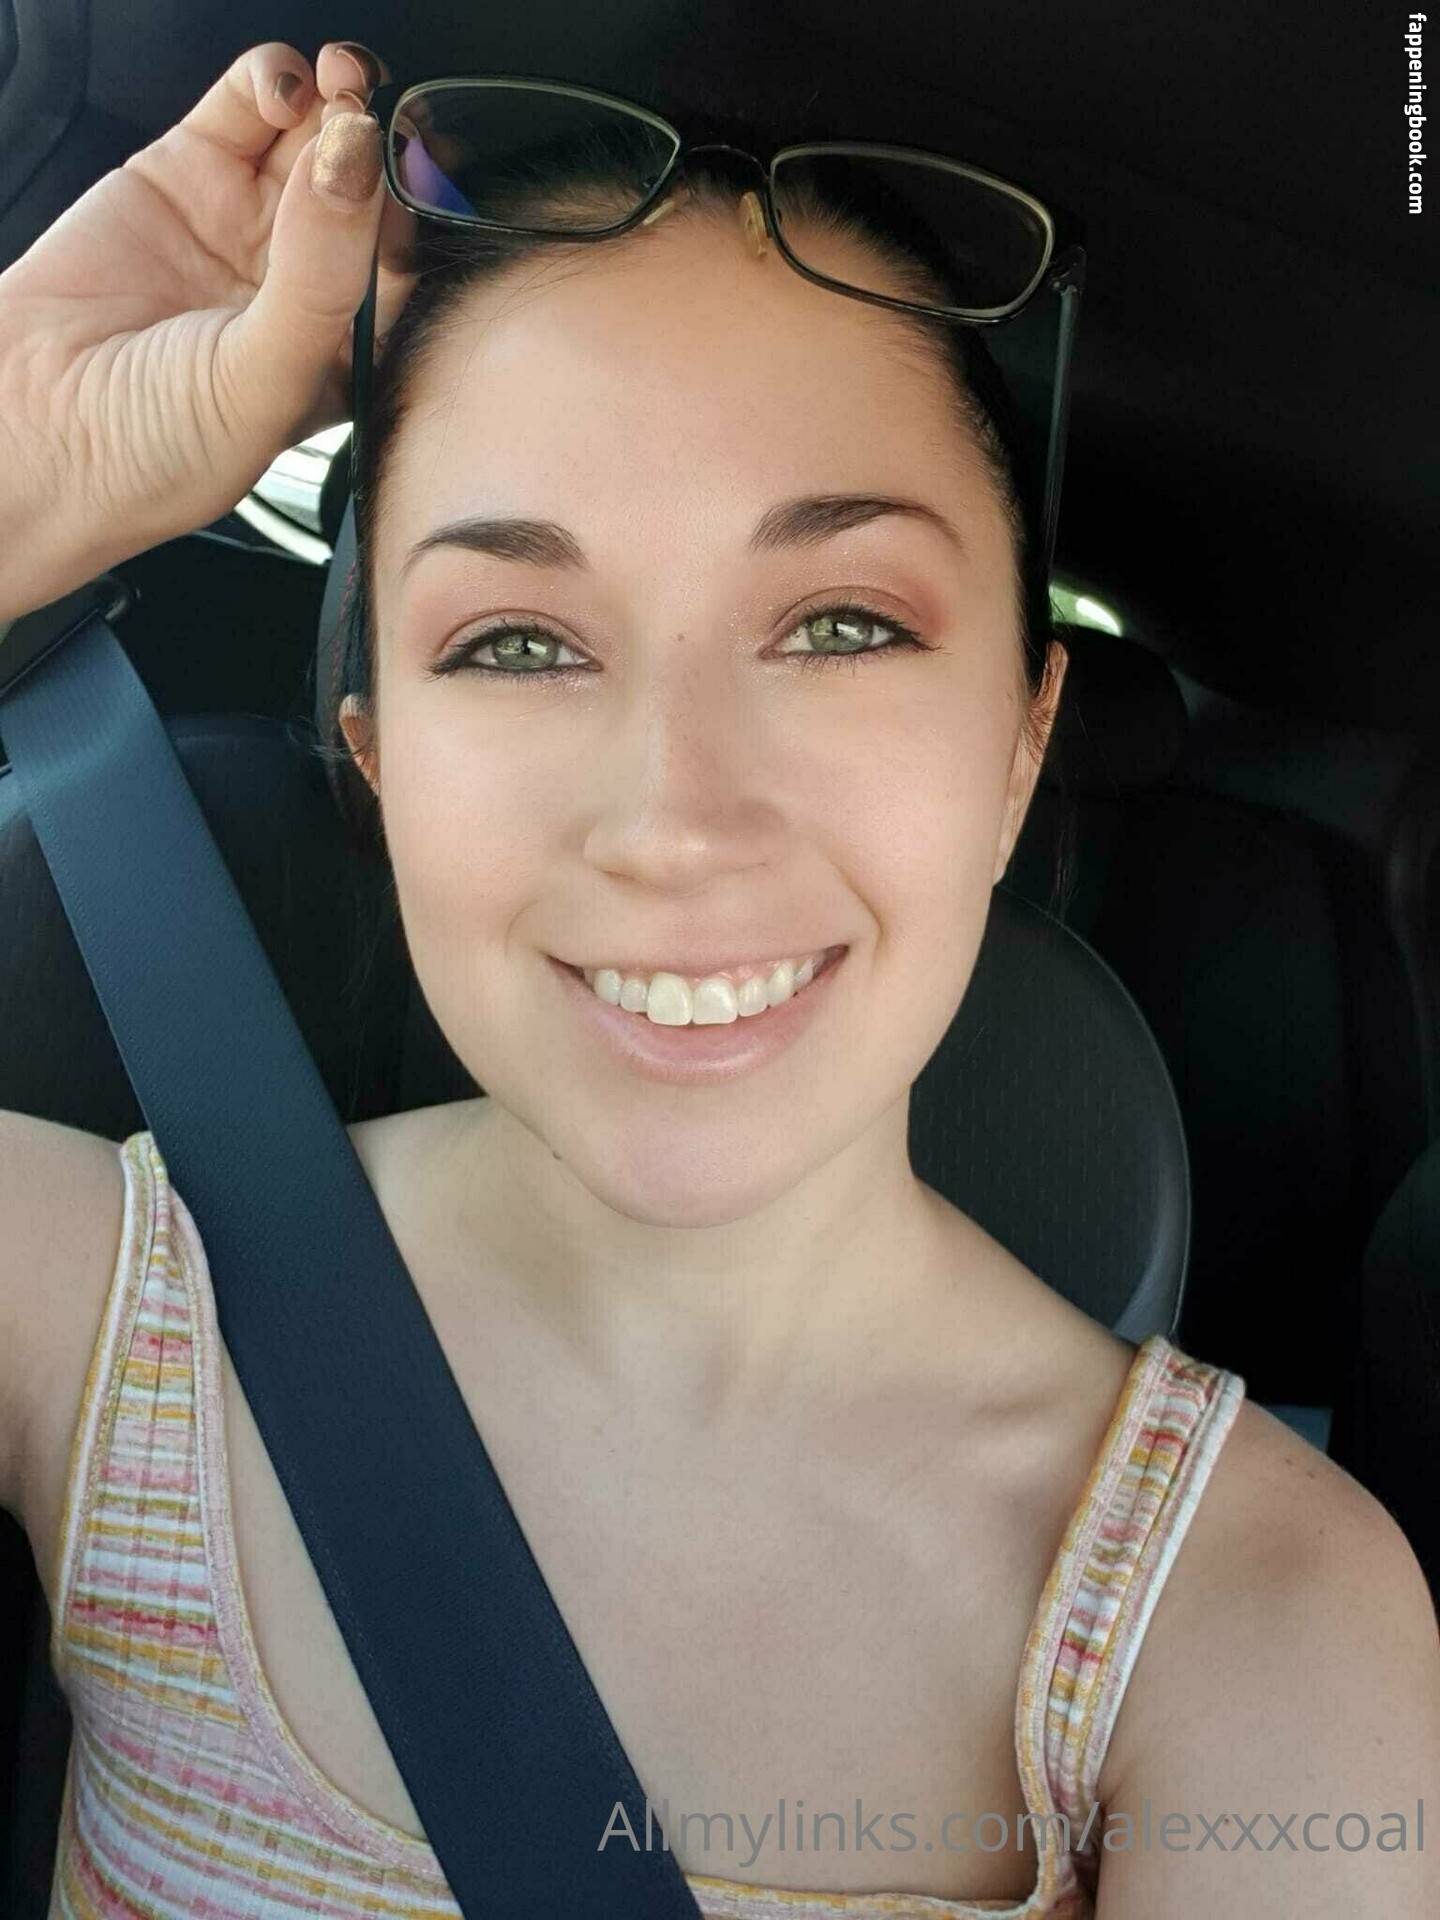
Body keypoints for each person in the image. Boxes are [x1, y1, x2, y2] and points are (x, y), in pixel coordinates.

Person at [0, 37, 1435, 1920]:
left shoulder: (1256, 1622)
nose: (677, 821)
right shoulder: (102, 1312)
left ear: (1020, 745)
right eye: (519, 644)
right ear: (378, 757)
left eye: (839, 626)